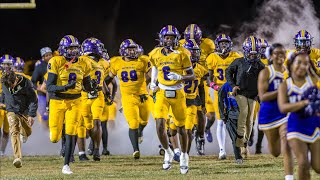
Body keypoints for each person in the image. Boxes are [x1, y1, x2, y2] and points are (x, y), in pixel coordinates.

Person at [149, 25, 195, 174]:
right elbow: (155, 66)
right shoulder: (156, 53)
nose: (169, 40)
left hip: (178, 93)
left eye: (172, 38)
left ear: (176, 39)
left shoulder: (182, 53)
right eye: (166, 38)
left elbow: (192, 75)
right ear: (162, 39)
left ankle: (183, 156)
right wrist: (153, 81)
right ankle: (168, 151)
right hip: (162, 92)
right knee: (159, 124)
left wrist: (180, 77)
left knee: (182, 128)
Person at [46, 35, 93, 174]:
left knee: (72, 131)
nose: (73, 51)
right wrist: (65, 87)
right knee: (54, 137)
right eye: (70, 48)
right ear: (63, 49)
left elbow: (87, 86)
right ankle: (56, 133)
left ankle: (66, 165)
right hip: (58, 101)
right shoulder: (56, 61)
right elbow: (49, 87)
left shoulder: (84, 63)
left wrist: (93, 86)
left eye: (75, 48)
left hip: (75, 101)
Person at [105, 39, 151, 159]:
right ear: (123, 51)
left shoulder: (143, 60)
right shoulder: (117, 62)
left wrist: (153, 83)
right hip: (128, 97)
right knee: (133, 122)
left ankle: (140, 132)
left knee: (144, 121)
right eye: (129, 49)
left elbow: (151, 75)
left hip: (143, 96)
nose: (132, 52)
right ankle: (136, 150)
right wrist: (102, 88)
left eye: (133, 49)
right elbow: (108, 78)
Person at [278, 52, 320, 180]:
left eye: (306, 63)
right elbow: (283, 107)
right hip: (296, 124)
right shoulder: (285, 84)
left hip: (314, 124)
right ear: (291, 65)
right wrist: (304, 103)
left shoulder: (314, 81)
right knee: (303, 162)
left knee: (317, 167)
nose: (302, 66)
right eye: (299, 62)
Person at [258, 43, 294, 180]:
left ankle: (289, 177)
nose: (280, 56)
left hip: (284, 111)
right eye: (277, 53)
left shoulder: (289, 71)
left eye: (282, 53)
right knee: (275, 152)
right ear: (271, 56)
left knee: (287, 142)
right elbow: (263, 96)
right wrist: (281, 90)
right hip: (268, 114)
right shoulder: (266, 72)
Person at [226, 36, 265, 158]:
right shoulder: (239, 62)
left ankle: (244, 144)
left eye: (255, 54)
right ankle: (240, 145)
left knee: (250, 121)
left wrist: (260, 93)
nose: (253, 56)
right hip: (241, 93)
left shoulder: (260, 65)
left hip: (253, 95)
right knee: (243, 115)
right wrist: (232, 85)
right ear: (245, 51)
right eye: (251, 54)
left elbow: (264, 80)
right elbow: (228, 71)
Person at [206, 34, 242, 159]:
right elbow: (208, 79)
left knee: (236, 120)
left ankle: (240, 147)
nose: (224, 45)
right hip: (220, 92)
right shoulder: (212, 57)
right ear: (217, 45)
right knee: (221, 121)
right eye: (221, 43)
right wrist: (215, 86)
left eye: (226, 43)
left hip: (233, 92)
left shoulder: (236, 56)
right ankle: (222, 150)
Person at [180, 24, 215, 145]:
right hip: (184, 77)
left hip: (201, 78)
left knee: (201, 110)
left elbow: (214, 60)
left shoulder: (208, 44)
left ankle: (200, 135)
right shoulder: (180, 44)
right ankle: (172, 134)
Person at [1, 70, 37, 168]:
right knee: (13, 131)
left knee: (28, 131)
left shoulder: (26, 83)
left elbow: (33, 98)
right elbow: (4, 94)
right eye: (8, 85)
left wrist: (31, 114)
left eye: (12, 85)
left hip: (24, 110)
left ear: (16, 79)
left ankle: (24, 132)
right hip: (11, 110)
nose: (10, 87)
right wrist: (2, 101)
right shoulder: (4, 82)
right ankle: (17, 158)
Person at [181, 39, 208, 155]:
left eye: (196, 51)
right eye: (192, 51)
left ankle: (200, 138)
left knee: (201, 115)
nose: (195, 54)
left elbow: (201, 87)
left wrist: (203, 104)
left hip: (193, 98)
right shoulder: (178, 66)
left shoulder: (200, 69)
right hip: (178, 98)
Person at [218, 82, 242, 164]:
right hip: (231, 112)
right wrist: (222, 115)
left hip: (243, 113)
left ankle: (239, 155)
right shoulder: (226, 86)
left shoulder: (247, 82)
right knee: (235, 137)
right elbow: (220, 99)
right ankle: (238, 157)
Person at [32, 47, 53, 126]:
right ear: (43, 57)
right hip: (43, 93)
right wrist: (39, 88)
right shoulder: (40, 66)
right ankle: (46, 130)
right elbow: (33, 82)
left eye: (50, 55)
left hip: (55, 92)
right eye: (46, 55)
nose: (49, 57)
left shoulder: (56, 62)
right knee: (43, 114)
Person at [0, 54, 15, 156]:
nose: (6, 66)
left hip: (9, 107)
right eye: (4, 64)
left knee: (6, 131)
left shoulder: (15, 76)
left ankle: (2, 151)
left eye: (8, 64)